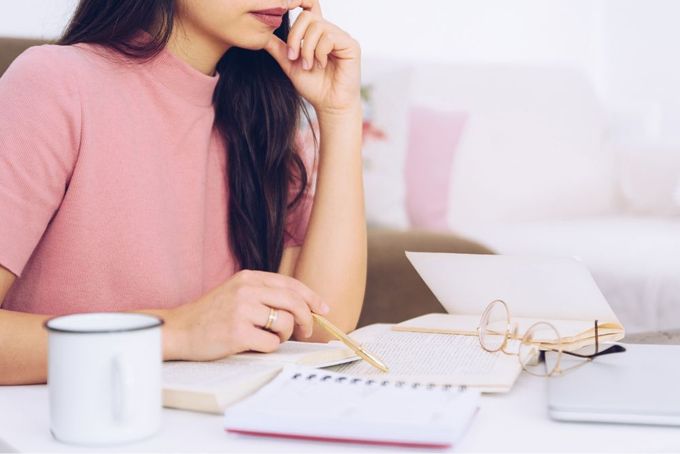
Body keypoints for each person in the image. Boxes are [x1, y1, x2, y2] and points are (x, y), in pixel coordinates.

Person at [0, 0, 366, 385]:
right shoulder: (56, 84)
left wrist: (340, 114)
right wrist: (176, 331)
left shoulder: (264, 122)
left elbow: (323, 332)